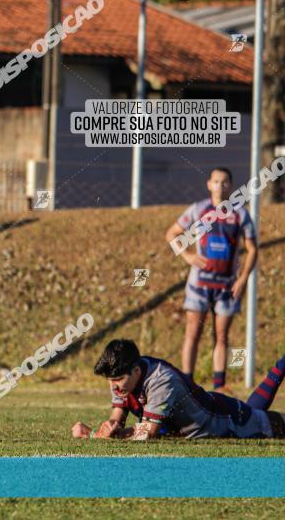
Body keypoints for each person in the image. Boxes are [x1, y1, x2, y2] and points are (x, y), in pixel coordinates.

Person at [72, 339, 285, 440]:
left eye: (117, 379)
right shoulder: (122, 378)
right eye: (110, 380)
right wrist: (108, 428)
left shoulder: (161, 380)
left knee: (265, 422)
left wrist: (93, 435)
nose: (113, 386)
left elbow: (147, 434)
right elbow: (116, 421)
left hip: (226, 421)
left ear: (136, 371)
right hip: (222, 410)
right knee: (255, 413)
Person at [164, 167, 257, 392]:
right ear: (209, 184)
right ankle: (186, 383)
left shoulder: (241, 214)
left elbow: (253, 249)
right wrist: (187, 254)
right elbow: (171, 233)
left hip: (227, 285)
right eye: (216, 182)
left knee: (222, 335)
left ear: (231, 186)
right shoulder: (198, 210)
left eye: (225, 182)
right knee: (192, 333)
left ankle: (219, 385)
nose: (220, 186)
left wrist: (243, 279)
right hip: (199, 284)